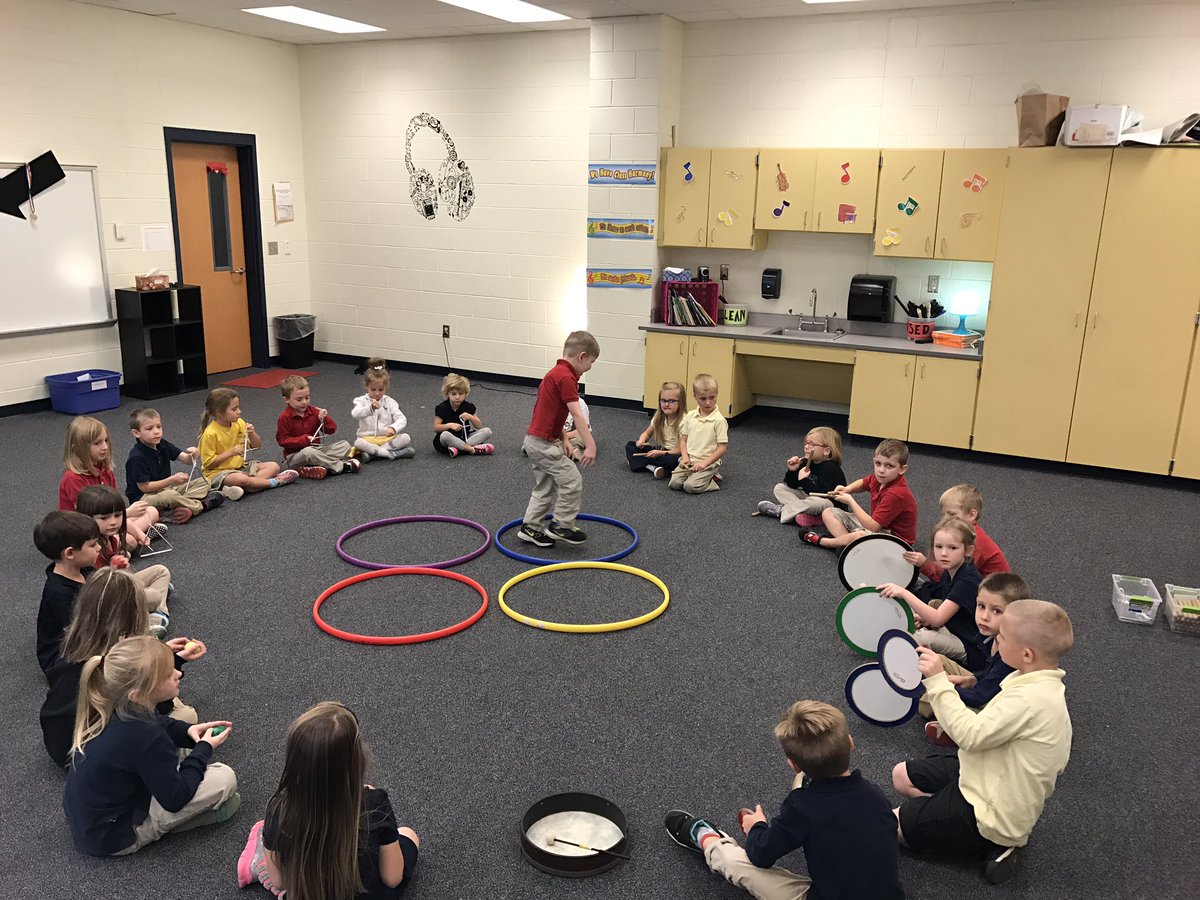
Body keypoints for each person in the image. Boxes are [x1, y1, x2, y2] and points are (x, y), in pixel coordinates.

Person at [892, 600, 1074, 885]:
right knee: (901, 776)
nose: (996, 641)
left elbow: (969, 735)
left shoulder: (1031, 700)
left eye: (1002, 638)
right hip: (981, 770)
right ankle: (950, 819)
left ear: (1026, 654)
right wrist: (972, 682)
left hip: (990, 811)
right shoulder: (1033, 678)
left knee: (891, 826)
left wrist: (937, 681)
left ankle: (996, 841)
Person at [664, 700, 904, 900]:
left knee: (739, 864)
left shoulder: (801, 807)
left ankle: (709, 840)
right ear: (850, 744)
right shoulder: (874, 794)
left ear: (794, 765)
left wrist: (756, 827)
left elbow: (761, 855)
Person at [63, 635, 239, 856]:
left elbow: (159, 720)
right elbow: (175, 799)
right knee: (224, 778)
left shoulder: (114, 705)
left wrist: (188, 732)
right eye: (168, 675)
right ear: (138, 695)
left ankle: (172, 775)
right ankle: (175, 823)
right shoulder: (146, 738)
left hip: (92, 820)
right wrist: (202, 750)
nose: (178, 674)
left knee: (186, 719)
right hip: (115, 834)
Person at [237, 702, 420, 900]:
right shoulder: (375, 803)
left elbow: (279, 881)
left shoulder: (279, 810)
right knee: (408, 834)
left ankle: (259, 860)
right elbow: (392, 878)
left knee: (276, 841)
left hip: (305, 892)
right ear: (356, 760)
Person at [40, 569, 206, 767]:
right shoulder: (117, 665)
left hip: (62, 743)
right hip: (88, 757)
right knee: (185, 716)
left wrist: (168, 656)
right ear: (132, 618)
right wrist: (168, 664)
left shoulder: (78, 645)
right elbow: (150, 704)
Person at [923, 573, 1029, 744]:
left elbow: (980, 696)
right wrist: (972, 679)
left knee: (935, 695)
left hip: (997, 707)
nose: (984, 616)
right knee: (938, 661)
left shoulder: (1009, 655)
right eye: (981, 606)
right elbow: (989, 674)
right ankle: (935, 706)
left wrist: (942, 685)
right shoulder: (990, 636)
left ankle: (954, 728)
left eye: (996, 611)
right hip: (989, 689)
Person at [518, 331, 599, 548]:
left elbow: (549, 413)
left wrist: (564, 438)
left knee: (545, 486)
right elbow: (577, 414)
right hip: (543, 444)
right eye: (592, 362)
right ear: (582, 356)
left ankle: (530, 527)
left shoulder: (556, 374)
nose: (591, 366)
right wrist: (590, 444)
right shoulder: (566, 378)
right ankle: (561, 525)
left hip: (536, 440)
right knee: (572, 480)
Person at [878, 517, 983, 667]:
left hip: (971, 646)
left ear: (968, 550)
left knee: (921, 638)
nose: (943, 553)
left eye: (952, 548)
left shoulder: (967, 580)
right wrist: (925, 618)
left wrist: (904, 593)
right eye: (938, 547)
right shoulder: (953, 569)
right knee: (926, 608)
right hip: (955, 628)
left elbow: (938, 619)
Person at [75, 485, 172, 638]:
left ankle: (158, 612)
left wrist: (120, 567)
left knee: (161, 571)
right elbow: (99, 589)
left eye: (118, 515)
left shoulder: (111, 538)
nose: (113, 522)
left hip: (117, 586)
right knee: (154, 596)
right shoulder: (90, 548)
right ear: (88, 518)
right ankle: (149, 620)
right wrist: (115, 570)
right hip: (107, 598)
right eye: (104, 518)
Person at [59, 415, 160, 547]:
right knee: (130, 541)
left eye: (106, 440)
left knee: (152, 511)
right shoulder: (73, 479)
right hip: (85, 530)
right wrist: (127, 514)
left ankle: (126, 535)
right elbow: (87, 520)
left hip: (108, 522)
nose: (105, 447)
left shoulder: (105, 470)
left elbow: (115, 507)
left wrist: (136, 531)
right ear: (78, 447)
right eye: (97, 443)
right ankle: (123, 538)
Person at [801, 438, 916, 549]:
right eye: (878, 463)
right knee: (828, 512)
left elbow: (872, 527)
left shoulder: (896, 494)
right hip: (879, 529)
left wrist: (851, 501)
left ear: (902, 469)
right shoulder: (881, 478)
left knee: (859, 535)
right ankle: (849, 545)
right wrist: (847, 489)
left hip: (895, 542)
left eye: (889, 466)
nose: (881, 470)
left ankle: (825, 542)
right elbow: (864, 483)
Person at [125, 407, 223, 524]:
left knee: (205, 482)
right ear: (136, 433)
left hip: (166, 489)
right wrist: (172, 480)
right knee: (170, 496)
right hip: (144, 498)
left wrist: (193, 454)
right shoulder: (136, 457)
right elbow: (144, 487)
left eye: (159, 426)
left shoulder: (162, 444)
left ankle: (176, 507)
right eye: (149, 428)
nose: (156, 431)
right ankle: (202, 505)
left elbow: (186, 460)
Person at [35, 510, 102, 675]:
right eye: (93, 545)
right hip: (65, 653)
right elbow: (82, 633)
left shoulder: (85, 570)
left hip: (89, 632)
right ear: (70, 553)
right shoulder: (58, 593)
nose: (99, 548)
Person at [199, 388, 295, 496]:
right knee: (240, 479)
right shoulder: (210, 434)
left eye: (238, 408)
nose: (239, 411)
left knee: (274, 466)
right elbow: (208, 464)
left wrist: (252, 434)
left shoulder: (239, 423)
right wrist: (230, 452)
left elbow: (257, 446)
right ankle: (274, 482)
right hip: (217, 472)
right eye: (234, 409)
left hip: (240, 466)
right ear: (219, 412)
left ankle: (244, 487)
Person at [905, 484, 1010, 580]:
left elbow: (953, 576)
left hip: (990, 592)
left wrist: (924, 564)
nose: (945, 519)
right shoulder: (965, 533)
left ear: (972, 515)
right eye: (944, 514)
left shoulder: (975, 542)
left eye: (952, 514)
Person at [754, 426, 847, 525]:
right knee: (779, 488)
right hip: (810, 498)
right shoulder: (807, 462)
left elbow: (821, 493)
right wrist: (793, 471)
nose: (806, 447)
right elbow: (792, 485)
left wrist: (804, 480)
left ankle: (781, 512)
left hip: (830, 506)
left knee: (817, 502)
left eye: (812, 444)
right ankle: (803, 515)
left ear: (826, 451)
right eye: (806, 443)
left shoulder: (830, 468)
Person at [276, 375, 362, 478]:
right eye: (299, 399)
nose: (304, 402)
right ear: (286, 399)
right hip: (295, 456)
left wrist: (324, 419)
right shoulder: (284, 417)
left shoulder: (314, 411)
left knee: (345, 445)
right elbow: (282, 440)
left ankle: (317, 466)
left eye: (307, 397)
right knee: (309, 452)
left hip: (317, 450)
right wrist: (304, 440)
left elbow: (332, 430)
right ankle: (342, 466)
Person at [669, 374, 728, 494]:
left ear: (717, 394)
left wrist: (704, 463)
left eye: (712, 397)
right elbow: (683, 439)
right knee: (674, 484)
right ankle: (701, 477)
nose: (708, 403)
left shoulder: (719, 420)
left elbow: (722, 448)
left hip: (708, 463)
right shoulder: (690, 416)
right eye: (703, 399)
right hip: (690, 461)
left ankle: (712, 481)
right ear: (695, 396)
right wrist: (685, 458)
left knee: (690, 487)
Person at [352, 358, 415, 460]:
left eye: (381, 389)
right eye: (373, 389)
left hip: (386, 438)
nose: (377, 393)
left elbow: (402, 419)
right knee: (358, 443)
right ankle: (391, 454)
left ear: (386, 387)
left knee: (406, 438)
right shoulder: (361, 400)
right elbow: (355, 414)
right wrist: (370, 409)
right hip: (368, 439)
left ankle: (375, 454)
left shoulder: (390, 402)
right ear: (366, 385)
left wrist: (394, 428)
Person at [625, 381, 686, 479]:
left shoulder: (684, 421)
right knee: (630, 446)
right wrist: (641, 441)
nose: (666, 404)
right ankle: (652, 468)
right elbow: (646, 433)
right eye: (663, 400)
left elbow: (680, 449)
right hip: (659, 450)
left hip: (673, 454)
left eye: (671, 401)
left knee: (671, 461)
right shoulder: (659, 417)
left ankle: (642, 463)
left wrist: (660, 453)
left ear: (681, 402)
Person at [432, 372, 494, 457]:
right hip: (448, 438)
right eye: (453, 394)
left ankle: (458, 448)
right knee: (444, 435)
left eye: (461, 394)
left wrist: (471, 417)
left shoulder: (468, 406)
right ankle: (472, 449)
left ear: (465, 393)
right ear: (447, 394)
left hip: (465, 436)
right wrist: (450, 425)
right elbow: (436, 428)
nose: (457, 397)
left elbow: (479, 426)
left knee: (487, 431)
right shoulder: (442, 408)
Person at [562, 396, 592, 463]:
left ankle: (572, 449)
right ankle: (568, 450)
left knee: (582, 438)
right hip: (558, 434)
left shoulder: (580, 403)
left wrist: (565, 437)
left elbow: (585, 429)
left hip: (572, 433)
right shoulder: (552, 402)